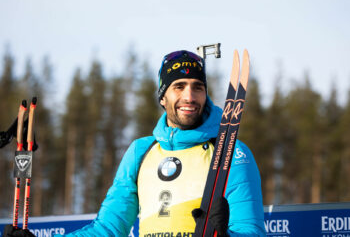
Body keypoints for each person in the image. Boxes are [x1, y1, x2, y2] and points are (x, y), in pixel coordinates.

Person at [58, 50, 266, 236]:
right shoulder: (140, 152)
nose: (189, 96)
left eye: (198, 87)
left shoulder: (231, 151)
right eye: (179, 86)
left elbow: (251, 231)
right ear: (162, 97)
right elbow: (108, 229)